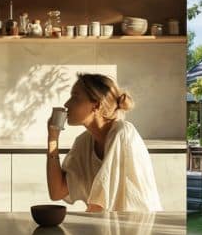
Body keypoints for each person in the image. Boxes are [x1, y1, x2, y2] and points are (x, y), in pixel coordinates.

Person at [46, 73, 162, 212]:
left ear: (96, 104)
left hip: (136, 227)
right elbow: (57, 192)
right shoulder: (84, 142)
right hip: (108, 226)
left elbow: (100, 203)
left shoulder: (123, 133)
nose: (66, 104)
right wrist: (53, 138)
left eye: (75, 97)